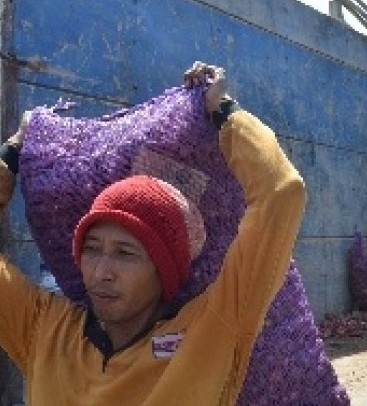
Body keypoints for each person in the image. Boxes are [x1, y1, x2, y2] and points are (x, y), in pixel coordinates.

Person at [0, 61, 306, 404]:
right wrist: (14, 148)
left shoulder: (213, 330)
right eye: (92, 248)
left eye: (125, 253)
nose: (101, 273)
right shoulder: (44, 330)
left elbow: (281, 194)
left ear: (164, 270)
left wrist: (222, 108)